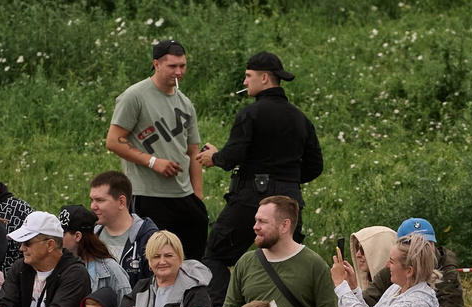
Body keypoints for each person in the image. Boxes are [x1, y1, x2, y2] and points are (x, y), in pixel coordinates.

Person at [199, 51, 322, 277]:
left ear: (264, 78)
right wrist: (287, 179)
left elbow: (231, 157)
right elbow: (315, 166)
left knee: (215, 256)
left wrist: (214, 157)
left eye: (248, 76)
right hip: (289, 201)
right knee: (286, 265)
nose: (245, 82)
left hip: (250, 201)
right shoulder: (300, 118)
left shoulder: (250, 113)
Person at [106, 38, 208, 260]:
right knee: (152, 262)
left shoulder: (185, 103)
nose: (178, 72)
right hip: (147, 195)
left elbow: (193, 152)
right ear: (156, 64)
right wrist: (153, 162)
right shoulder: (135, 96)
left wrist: (198, 199)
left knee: (191, 263)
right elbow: (114, 141)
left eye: (182, 66)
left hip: (185, 197)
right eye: (172, 66)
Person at [219, 196, 338, 307]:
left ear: (284, 226)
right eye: (256, 220)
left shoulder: (314, 264)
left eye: (262, 221)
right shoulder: (245, 262)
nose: (255, 226)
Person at [88, 171, 156, 293]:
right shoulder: (90, 237)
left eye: (100, 200)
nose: (93, 206)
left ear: (121, 202)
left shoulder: (149, 239)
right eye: (91, 200)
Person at [60, 206, 126, 307]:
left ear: (77, 236)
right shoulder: (62, 266)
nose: (58, 238)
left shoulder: (112, 271)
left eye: (62, 233)